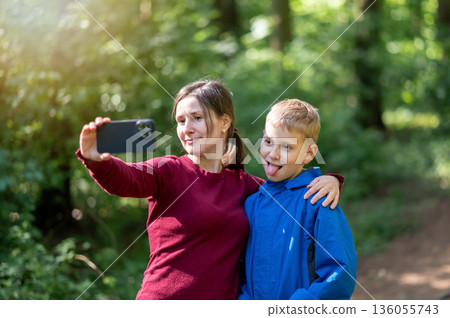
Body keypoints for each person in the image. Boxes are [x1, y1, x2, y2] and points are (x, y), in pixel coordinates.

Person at [76, 80, 343, 300]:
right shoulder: (168, 170)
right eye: (181, 120)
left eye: (196, 118)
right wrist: (97, 159)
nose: (187, 129)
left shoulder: (246, 186)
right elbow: (125, 179)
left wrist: (331, 180)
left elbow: (289, 191)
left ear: (224, 121)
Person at [238, 99, 357, 300]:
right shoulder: (252, 203)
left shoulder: (318, 200)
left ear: (309, 153)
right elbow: (239, 269)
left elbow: (338, 273)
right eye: (268, 142)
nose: (273, 154)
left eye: (286, 147)